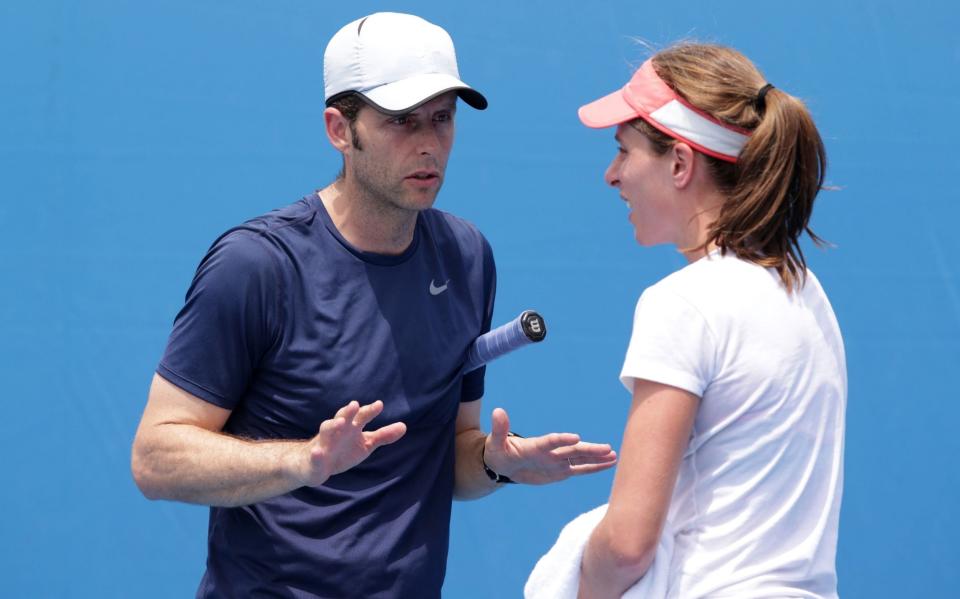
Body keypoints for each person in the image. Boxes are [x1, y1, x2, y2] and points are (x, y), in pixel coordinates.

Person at [130, 12, 617, 599]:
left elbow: (450, 459)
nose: (428, 143)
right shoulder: (256, 265)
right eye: (400, 121)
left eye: (442, 118)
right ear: (340, 129)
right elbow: (155, 459)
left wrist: (496, 465)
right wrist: (302, 462)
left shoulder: (466, 258)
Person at [528, 43, 846, 598]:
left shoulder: (684, 302)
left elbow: (627, 544)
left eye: (623, 151)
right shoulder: (805, 293)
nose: (611, 175)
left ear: (679, 163)